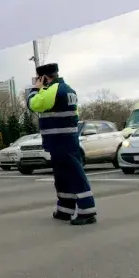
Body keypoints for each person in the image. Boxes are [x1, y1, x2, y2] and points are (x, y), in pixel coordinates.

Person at [26, 63, 96, 226]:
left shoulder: (54, 90)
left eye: (39, 79)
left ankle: (87, 211)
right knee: (63, 176)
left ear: (44, 77)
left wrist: (35, 90)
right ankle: (65, 209)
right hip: (63, 139)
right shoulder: (67, 89)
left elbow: (34, 105)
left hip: (61, 140)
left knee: (74, 175)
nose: (38, 81)